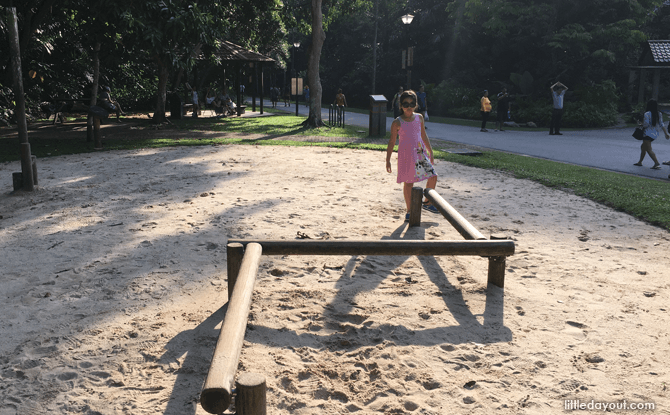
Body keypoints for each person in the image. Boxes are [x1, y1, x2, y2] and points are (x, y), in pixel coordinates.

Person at [385, 90, 439, 221]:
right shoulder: (397, 122)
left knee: (433, 176)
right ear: (400, 106)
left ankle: (427, 202)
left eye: (411, 104)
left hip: (420, 154)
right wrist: (388, 160)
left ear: (416, 105)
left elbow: (423, 135)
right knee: (409, 183)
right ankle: (409, 210)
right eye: (405, 104)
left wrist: (430, 150)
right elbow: (392, 142)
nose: (409, 107)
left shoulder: (419, 117)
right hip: (407, 156)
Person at [634, 99, 669, 170]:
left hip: (647, 133)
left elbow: (646, 125)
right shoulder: (659, 114)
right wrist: (666, 133)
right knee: (643, 146)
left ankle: (656, 163)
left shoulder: (647, 114)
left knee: (648, 149)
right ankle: (640, 162)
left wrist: (640, 124)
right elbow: (661, 124)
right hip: (655, 134)